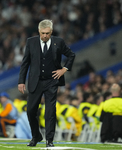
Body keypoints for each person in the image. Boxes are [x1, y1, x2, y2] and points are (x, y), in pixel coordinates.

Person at [18, 19, 75, 147]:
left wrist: (64, 69)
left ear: (51, 32)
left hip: (52, 81)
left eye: (47, 33)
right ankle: (36, 135)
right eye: (43, 33)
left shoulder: (58, 42)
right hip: (35, 81)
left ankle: (49, 140)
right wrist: (21, 81)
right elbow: (25, 63)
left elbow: (71, 55)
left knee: (50, 111)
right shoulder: (31, 42)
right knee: (31, 111)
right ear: (39, 31)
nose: (45, 36)